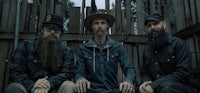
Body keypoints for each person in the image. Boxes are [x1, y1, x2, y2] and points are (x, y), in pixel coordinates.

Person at [4, 14, 75, 93]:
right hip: (29, 89)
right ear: (42, 30)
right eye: (49, 29)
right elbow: (16, 71)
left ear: (61, 33)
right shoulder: (25, 46)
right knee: (13, 87)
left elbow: (67, 73)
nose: (52, 32)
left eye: (56, 30)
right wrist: (32, 85)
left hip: (54, 89)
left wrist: (49, 84)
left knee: (69, 85)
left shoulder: (67, 52)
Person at [74, 9, 136, 93]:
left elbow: (129, 68)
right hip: (91, 90)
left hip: (113, 90)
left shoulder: (117, 47)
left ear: (107, 25)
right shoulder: (83, 48)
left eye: (103, 23)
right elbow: (78, 71)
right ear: (92, 26)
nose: (100, 26)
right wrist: (80, 79)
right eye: (96, 23)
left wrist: (128, 81)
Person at [139, 13, 197, 93]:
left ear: (164, 24)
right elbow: (144, 73)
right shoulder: (147, 50)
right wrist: (146, 84)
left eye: (155, 24)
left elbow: (182, 73)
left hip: (181, 87)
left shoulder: (178, 44)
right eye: (149, 26)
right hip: (155, 88)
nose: (152, 27)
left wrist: (154, 85)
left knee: (166, 88)